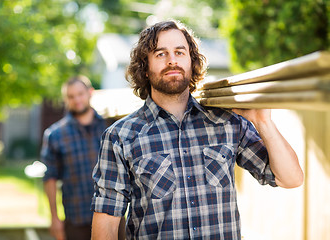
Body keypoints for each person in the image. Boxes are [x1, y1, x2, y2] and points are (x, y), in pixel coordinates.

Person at [91, 20, 304, 239]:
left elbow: (291, 178)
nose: (172, 60)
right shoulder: (120, 137)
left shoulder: (227, 122)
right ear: (145, 68)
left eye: (180, 52)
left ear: (192, 62)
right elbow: (107, 220)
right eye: (161, 54)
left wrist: (263, 123)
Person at [41, 75, 106, 240]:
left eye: (80, 94)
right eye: (71, 96)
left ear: (90, 93)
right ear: (66, 100)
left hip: (110, 216)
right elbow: (50, 178)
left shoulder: (109, 128)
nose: (76, 99)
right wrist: (54, 218)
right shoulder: (55, 135)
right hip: (76, 220)